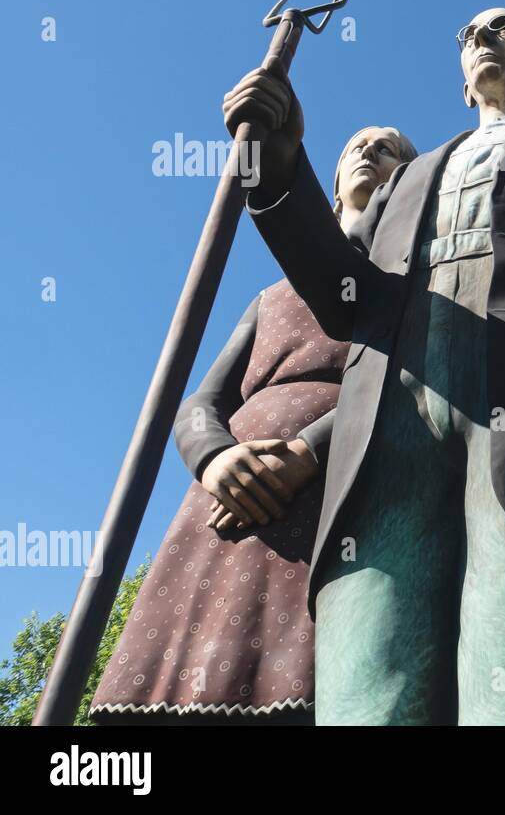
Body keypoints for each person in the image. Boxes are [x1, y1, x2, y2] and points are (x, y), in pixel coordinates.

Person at [223, 7, 505, 725]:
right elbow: (344, 295)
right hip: (388, 421)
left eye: (504, 28)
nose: (482, 40)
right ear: (462, 82)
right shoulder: (407, 182)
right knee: (369, 674)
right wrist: (276, 162)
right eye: (467, 35)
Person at [89, 126, 417, 723]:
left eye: (389, 147)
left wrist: (310, 452)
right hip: (224, 499)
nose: (370, 151)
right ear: (335, 182)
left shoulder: (420, 285)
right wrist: (216, 458)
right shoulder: (270, 297)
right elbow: (200, 402)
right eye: (356, 146)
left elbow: (417, 381)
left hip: (348, 484)